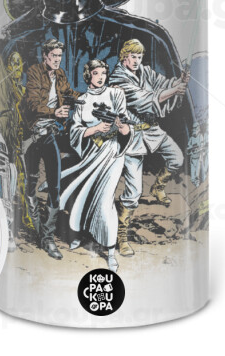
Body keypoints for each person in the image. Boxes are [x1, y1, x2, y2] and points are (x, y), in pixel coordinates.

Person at [110, 39, 190, 257]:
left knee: (177, 158)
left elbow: (163, 84)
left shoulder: (145, 71)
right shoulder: (118, 79)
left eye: (139, 57)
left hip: (152, 130)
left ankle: (158, 187)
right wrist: (175, 90)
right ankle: (122, 237)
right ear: (124, 57)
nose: (137, 61)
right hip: (132, 137)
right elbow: (144, 100)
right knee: (133, 193)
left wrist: (179, 81)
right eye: (133, 56)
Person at [59, 59, 131, 272]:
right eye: (96, 73)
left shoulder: (116, 94)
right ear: (88, 75)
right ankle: (78, 233)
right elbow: (75, 131)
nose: (101, 77)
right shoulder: (82, 100)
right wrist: (96, 129)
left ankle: (110, 252)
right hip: (91, 153)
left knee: (105, 200)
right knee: (84, 194)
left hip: (112, 153)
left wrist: (123, 128)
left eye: (103, 73)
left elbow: (125, 126)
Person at [19, 38, 79, 260]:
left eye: (59, 56)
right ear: (45, 56)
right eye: (53, 56)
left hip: (49, 135)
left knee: (55, 185)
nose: (57, 60)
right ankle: (37, 228)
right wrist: (54, 112)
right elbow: (33, 103)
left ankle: (47, 237)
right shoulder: (35, 72)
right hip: (32, 136)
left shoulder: (60, 74)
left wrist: (91, 96)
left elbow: (70, 94)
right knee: (31, 183)